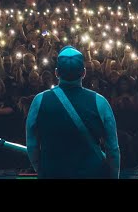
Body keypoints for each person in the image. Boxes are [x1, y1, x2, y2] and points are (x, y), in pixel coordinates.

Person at [26, 45, 120, 179]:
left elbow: (32, 144)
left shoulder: (39, 100)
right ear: (84, 72)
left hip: (53, 173)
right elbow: (113, 149)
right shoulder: (100, 102)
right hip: (92, 173)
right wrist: (114, 175)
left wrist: (40, 169)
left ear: (57, 72)